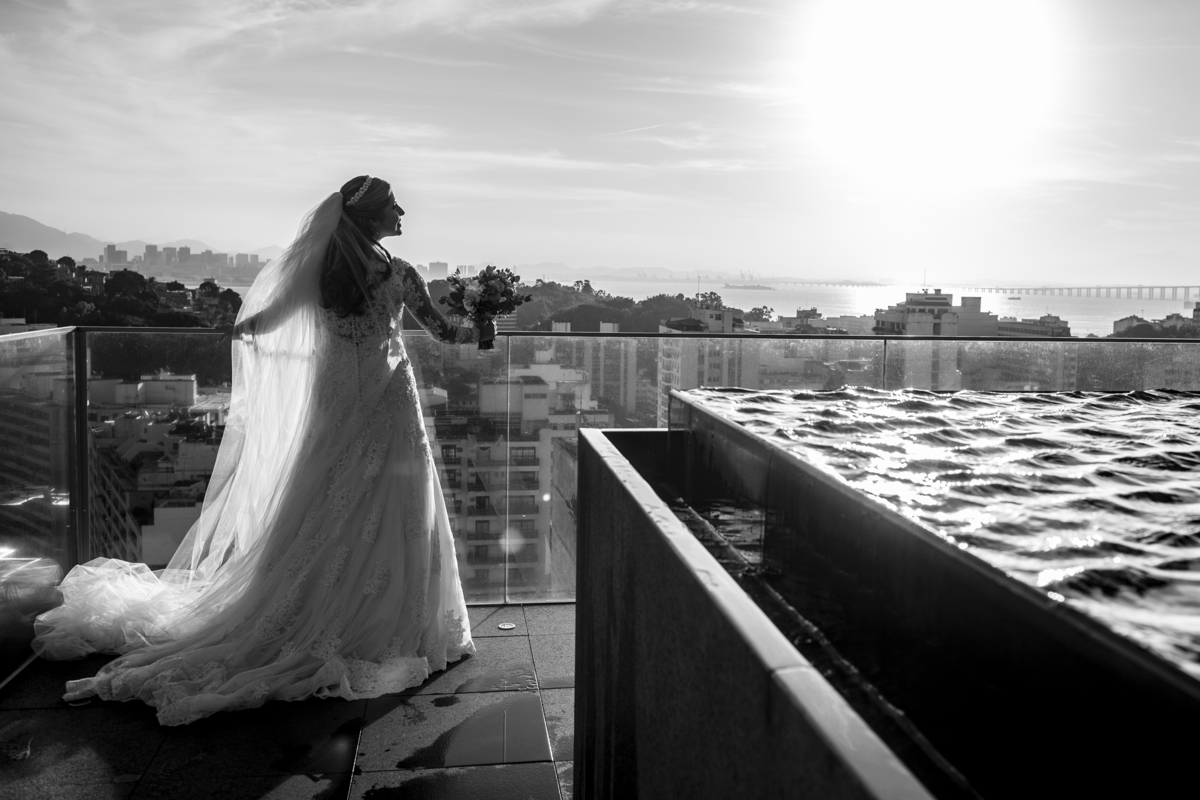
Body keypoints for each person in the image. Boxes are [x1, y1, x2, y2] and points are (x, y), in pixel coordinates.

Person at [32, 176, 495, 725]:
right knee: (396, 501)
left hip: (336, 396)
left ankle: (316, 604)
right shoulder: (400, 274)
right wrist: (485, 324)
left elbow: (265, 323)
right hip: (389, 395)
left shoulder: (320, 274)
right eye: (394, 207)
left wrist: (245, 332)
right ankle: (393, 616)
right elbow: (445, 333)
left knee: (326, 494)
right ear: (371, 217)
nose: (402, 214)